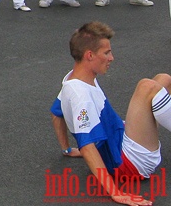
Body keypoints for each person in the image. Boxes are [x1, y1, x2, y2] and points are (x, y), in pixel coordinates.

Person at [50, 21, 171, 205]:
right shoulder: (80, 96)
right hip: (129, 163)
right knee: (147, 87)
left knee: (164, 79)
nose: (111, 58)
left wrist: (66, 149)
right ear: (89, 55)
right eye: (106, 53)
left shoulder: (73, 78)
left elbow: (56, 113)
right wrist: (115, 193)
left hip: (121, 140)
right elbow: (87, 146)